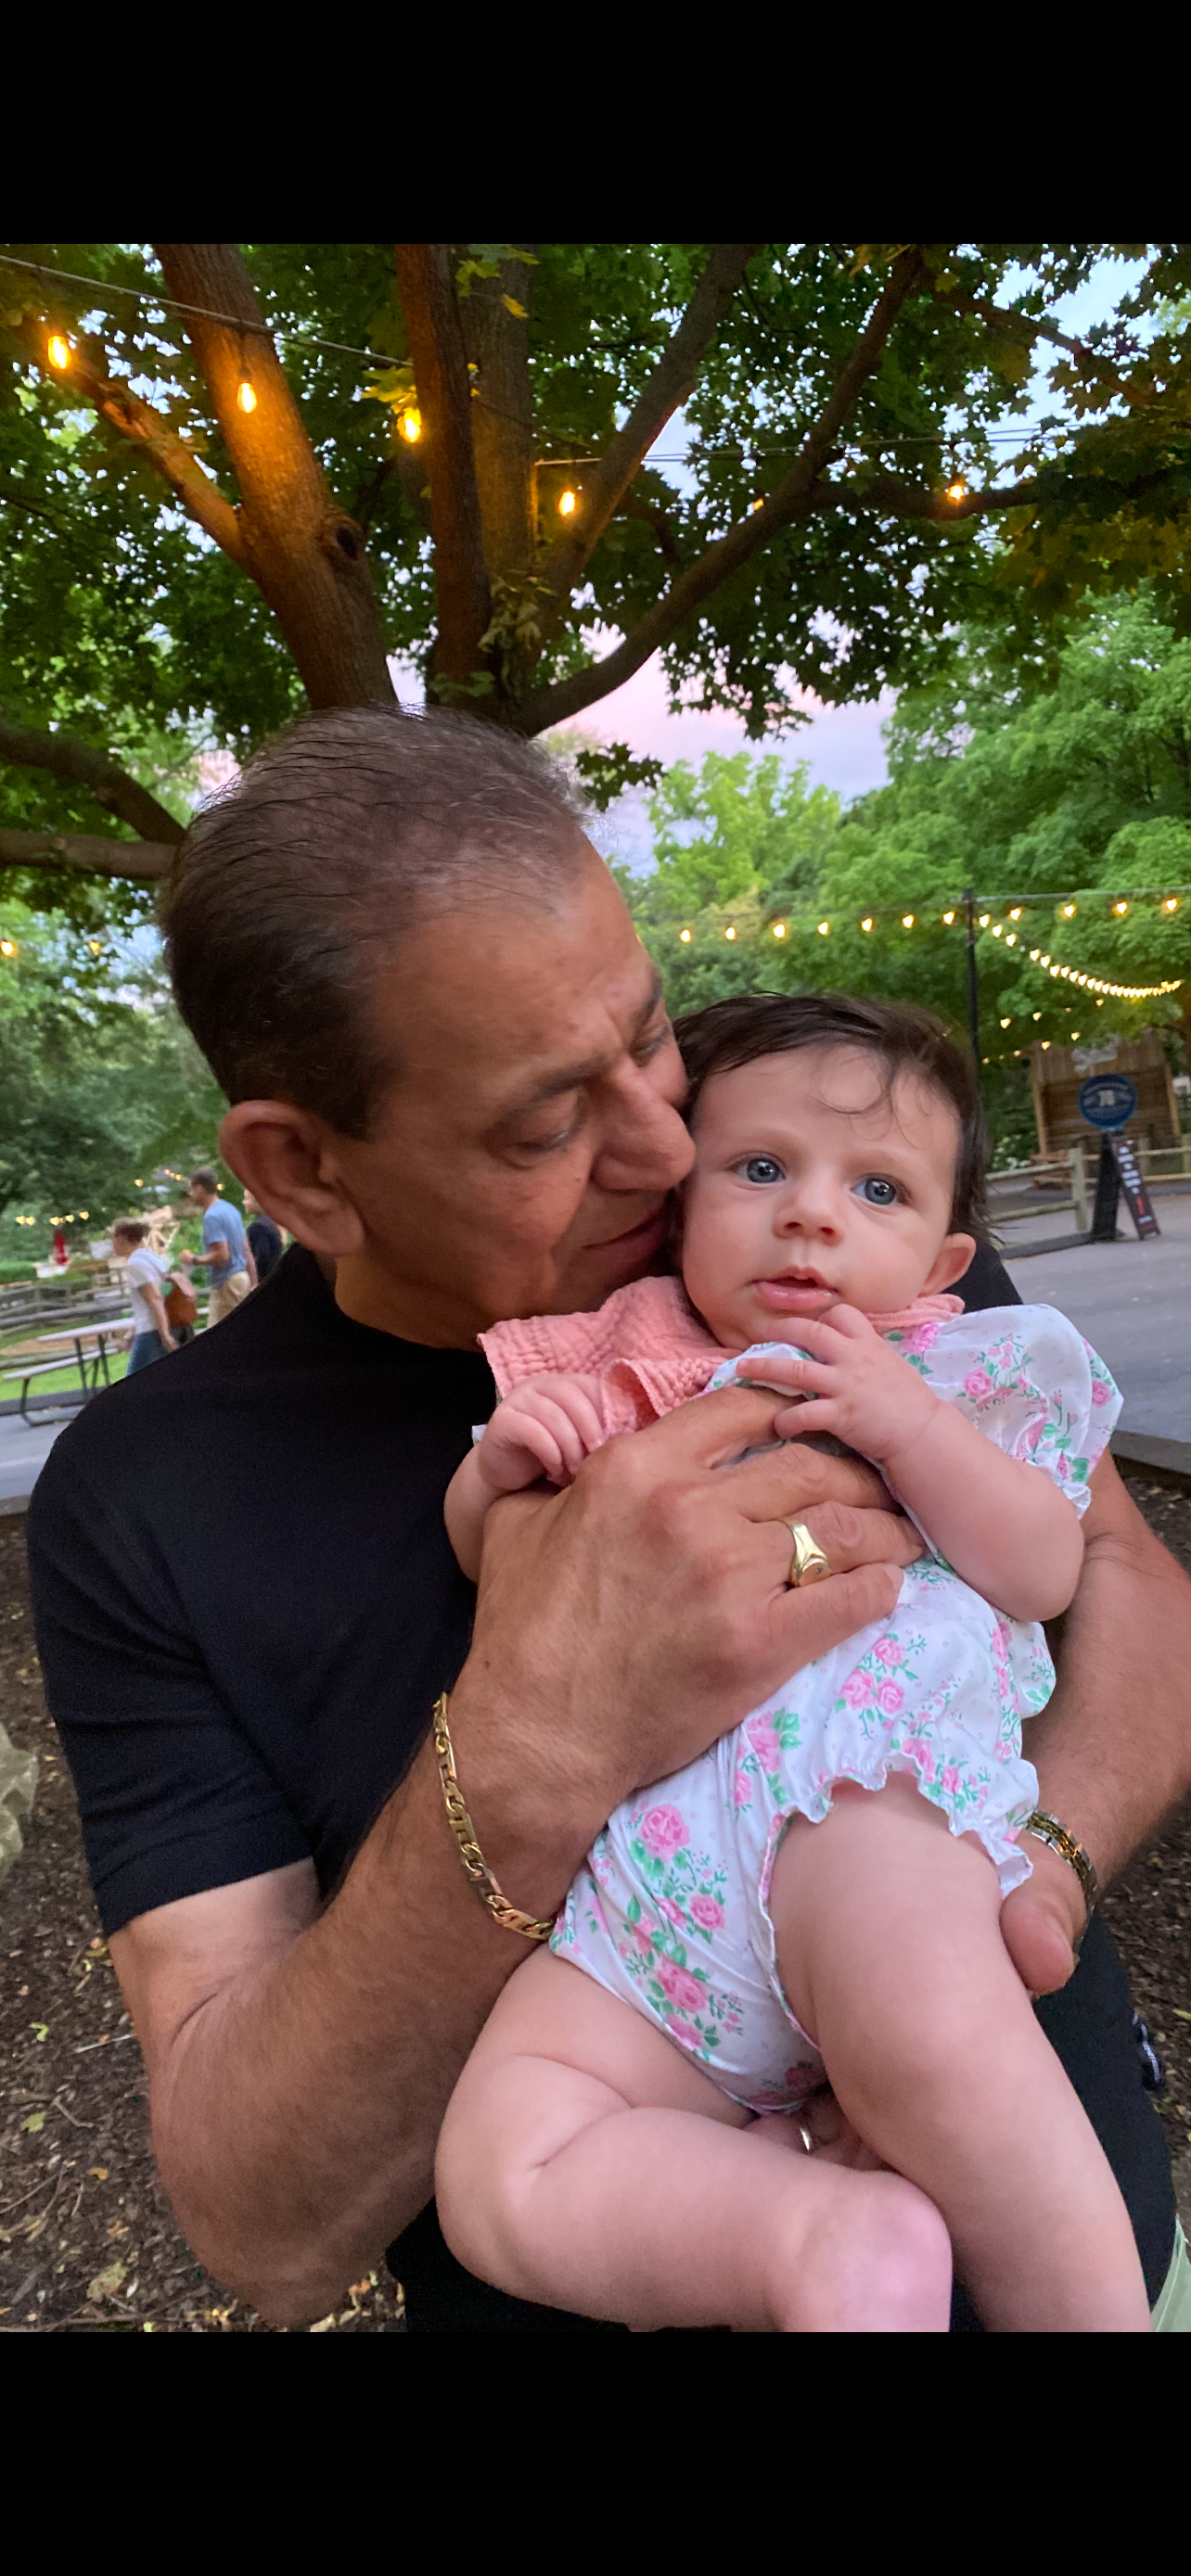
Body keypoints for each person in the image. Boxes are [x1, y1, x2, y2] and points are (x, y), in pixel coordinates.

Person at [24, 708, 1191, 2335]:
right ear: (300, 1172)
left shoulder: (821, 1196)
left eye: (646, 1035)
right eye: (541, 1122)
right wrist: (531, 1747)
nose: (665, 1143)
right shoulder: (147, 1499)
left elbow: (1126, 1585)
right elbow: (257, 2225)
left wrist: (1026, 1896)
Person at [437, 995, 1147, 2330]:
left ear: (942, 1258)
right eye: (759, 1169)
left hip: (867, 1823)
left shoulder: (962, 1366)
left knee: (954, 2064)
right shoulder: (626, 1360)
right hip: (651, 1892)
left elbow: (1044, 1569)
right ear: (681, 1201)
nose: (811, 1213)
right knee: (501, 2161)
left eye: (873, 1187)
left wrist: (917, 1430)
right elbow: (499, 1567)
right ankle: (821, 2243)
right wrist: (495, 1474)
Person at [181, 1168, 256, 1322]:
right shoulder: (230, 1210)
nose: (191, 1194)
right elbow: (245, 1248)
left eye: (192, 1189)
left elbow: (222, 1255)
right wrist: (253, 1281)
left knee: (221, 1338)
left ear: (200, 1188)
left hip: (227, 1283)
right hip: (241, 1278)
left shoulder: (212, 1216)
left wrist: (192, 1259)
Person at [112, 1218, 176, 1374]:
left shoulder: (134, 1265)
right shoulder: (151, 1257)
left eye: (113, 1239)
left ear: (121, 1239)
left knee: (133, 1382)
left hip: (150, 1329)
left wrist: (164, 1334)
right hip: (160, 1324)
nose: (112, 1244)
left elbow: (153, 1297)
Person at [243, 1190, 284, 1286]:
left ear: (256, 1201)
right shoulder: (271, 1223)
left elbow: (261, 1257)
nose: (243, 1202)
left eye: (246, 1199)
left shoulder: (257, 1227)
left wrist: (256, 1281)